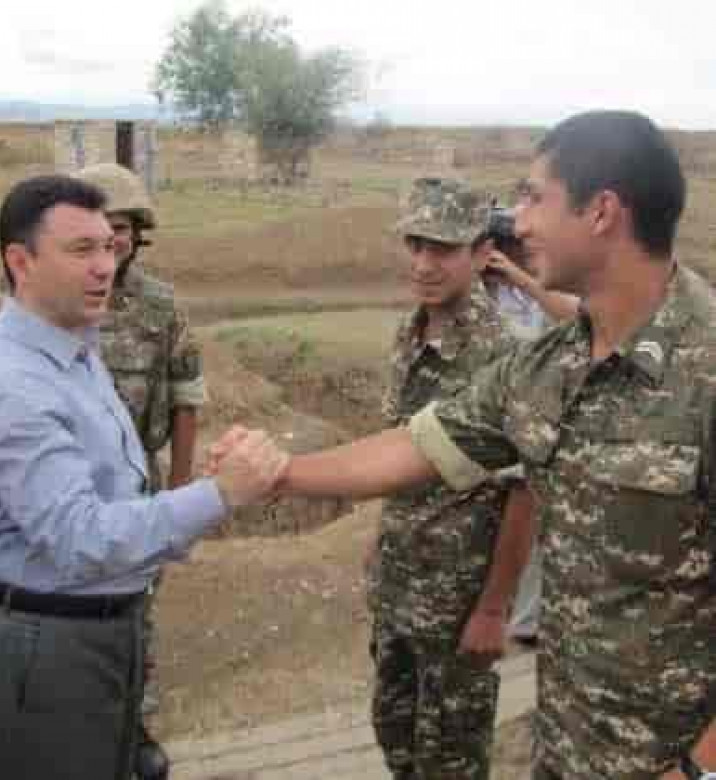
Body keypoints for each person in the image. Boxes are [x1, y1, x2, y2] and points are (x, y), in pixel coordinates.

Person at [213, 110, 716, 779]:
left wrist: (696, 771)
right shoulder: (548, 366)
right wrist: (280, 471)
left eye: (533, 197)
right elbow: (418, 446)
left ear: (601, 212)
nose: (518, 223)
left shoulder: (704, 370)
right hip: (567, 748)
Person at [0, 174, 285, 780]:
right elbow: (80, 537)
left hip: (93, 630)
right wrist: (219, 494)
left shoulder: (71, 347)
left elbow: (116, 488)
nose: (105, 265)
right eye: (81, 250)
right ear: (20, 262)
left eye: (109, 245)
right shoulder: (10, 384)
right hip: (53, 645)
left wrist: (197, 492)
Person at [366, 177, 534, 779]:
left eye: (442, 248)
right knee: (395, 736)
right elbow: (398, 450)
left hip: (460, 601)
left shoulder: (506, 355)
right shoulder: (408, 333)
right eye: (415, 244)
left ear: (482, 252)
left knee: (452, 760)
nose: (423, 263)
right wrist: (380, 542)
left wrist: (493, 608)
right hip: (399, 584)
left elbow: (524, 491)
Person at [75, 162, 206, 779]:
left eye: (121, 227)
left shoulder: (161, 306)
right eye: (98, 226)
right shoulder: (56, 297)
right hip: (67, 482)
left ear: (138, 233)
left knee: (135, 609)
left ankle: (134, 729)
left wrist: (180, 493)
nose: (111, 239)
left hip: (137, 486)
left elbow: (186, 397)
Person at [478, 221, 579, 647]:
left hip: (537, 415)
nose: (503, 253)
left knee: (532, 519)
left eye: (509, 245)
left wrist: (520, 278)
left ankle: (526, 623)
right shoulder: (477, 292)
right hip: (485, 412)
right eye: (495, 245)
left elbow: (579, 317)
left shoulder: (545, 282)